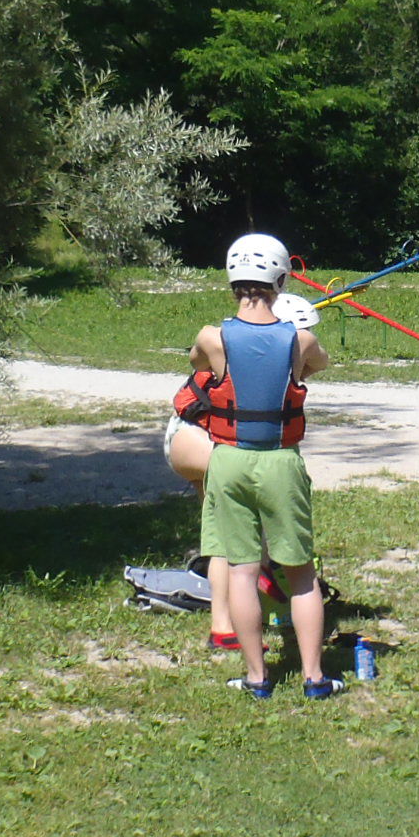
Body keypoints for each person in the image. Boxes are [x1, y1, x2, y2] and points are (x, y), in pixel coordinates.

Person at [185, 237, 335, 700]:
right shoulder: (300, 338)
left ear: (232, 281)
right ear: (282, 281)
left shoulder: (213, 337)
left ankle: (257, 677)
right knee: (301, 574)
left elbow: (198, 368)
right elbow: (319, 365)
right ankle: (313, 677)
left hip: (227, 460)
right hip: (280, 462)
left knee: (242, 571)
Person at [167, 292, 323, 649]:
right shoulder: (249, 347)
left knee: (226, 532)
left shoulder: (236, 343)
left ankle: (227, 622)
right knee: (248, 511)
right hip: (192, 438)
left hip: (213, 444)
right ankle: (261, 572)